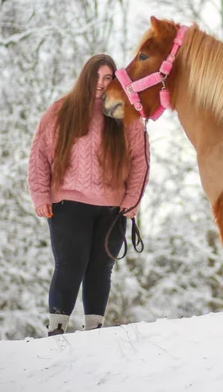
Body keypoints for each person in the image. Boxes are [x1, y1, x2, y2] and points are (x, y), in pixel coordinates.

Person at [28, 54, 148, 336]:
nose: (101, 83)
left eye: (108, 78)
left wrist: (132, 200)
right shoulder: (61, 110)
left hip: (113, 208)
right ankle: (57, 331)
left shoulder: (124, 113)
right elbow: (40, 155)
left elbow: (140, 160)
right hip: (68, 204)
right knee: (70, 265)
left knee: (101, 269)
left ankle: (94, 332)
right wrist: (40, 195)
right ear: (85, 77)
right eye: (96, 76)